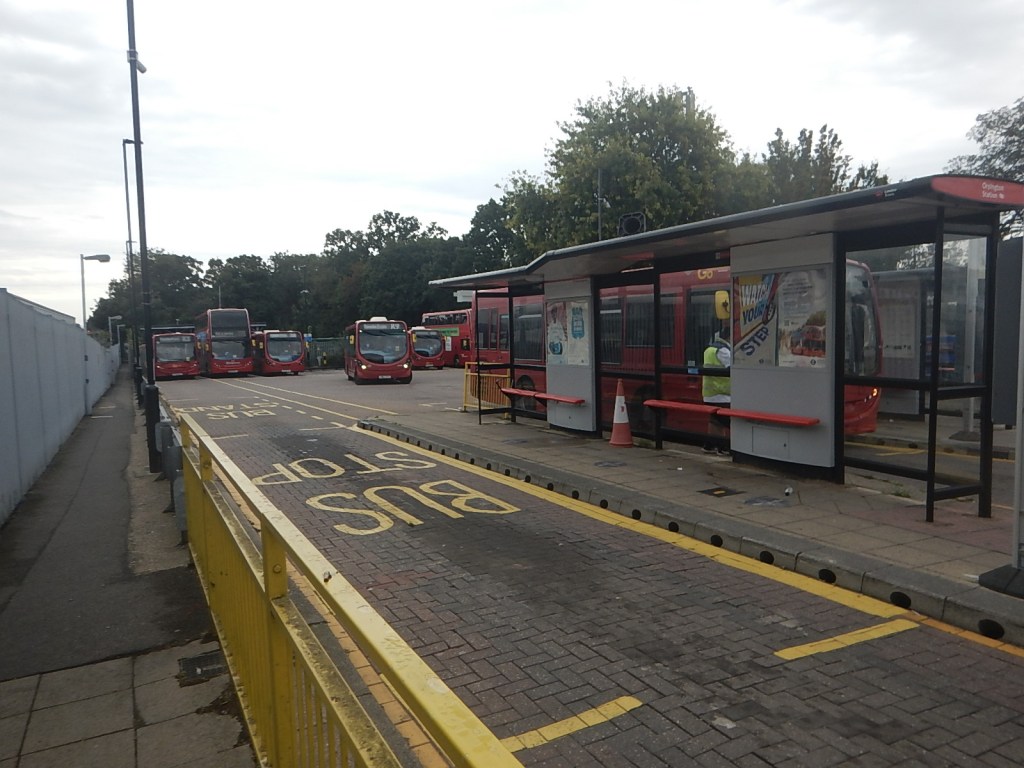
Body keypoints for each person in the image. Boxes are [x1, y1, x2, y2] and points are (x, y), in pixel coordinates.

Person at [702, 323, 731, 454]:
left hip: (709, 393)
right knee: (726, 421)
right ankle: (722, 447)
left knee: (714, 420)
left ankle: (710, 445)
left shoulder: (709, 349)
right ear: (729, 337)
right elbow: (734, 368)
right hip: (722, 393)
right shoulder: (723, 351)